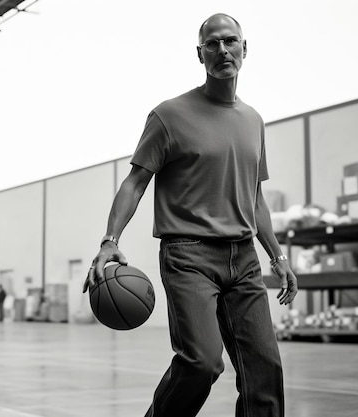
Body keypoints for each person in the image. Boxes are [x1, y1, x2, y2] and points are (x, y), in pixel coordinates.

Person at [83, 13, 298, 417]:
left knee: (264, 371)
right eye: (212, 44)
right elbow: (135, 183)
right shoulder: (169, 116)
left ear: (244, 49)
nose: (222, 50)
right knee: (201, 361)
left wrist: (278, 257)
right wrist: (110, 241)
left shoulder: (253, 121)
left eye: (230, 41)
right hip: (189, 256)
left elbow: (256, 199)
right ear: (199, 54)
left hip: (244, 259)